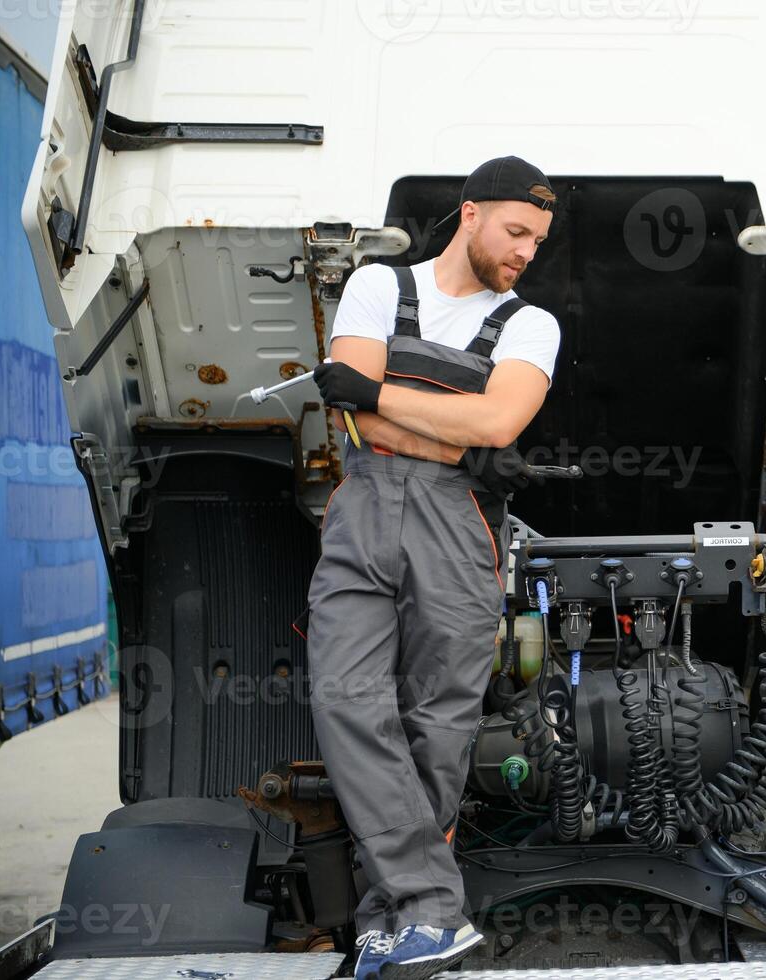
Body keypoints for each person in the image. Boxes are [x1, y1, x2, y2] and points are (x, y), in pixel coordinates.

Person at [307, 156, 558, 980]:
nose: (525, 252)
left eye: (537, 241)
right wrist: (437, 423)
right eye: (516, 232)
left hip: (458, 522)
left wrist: (379, 396)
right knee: (345, 696)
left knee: (437, 727)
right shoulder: (382, 285)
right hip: (365, 504)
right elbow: (357, 412)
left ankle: (392, 924)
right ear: (472, 213)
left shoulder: (531, 323)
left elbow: (492, 423)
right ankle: (430, 909)